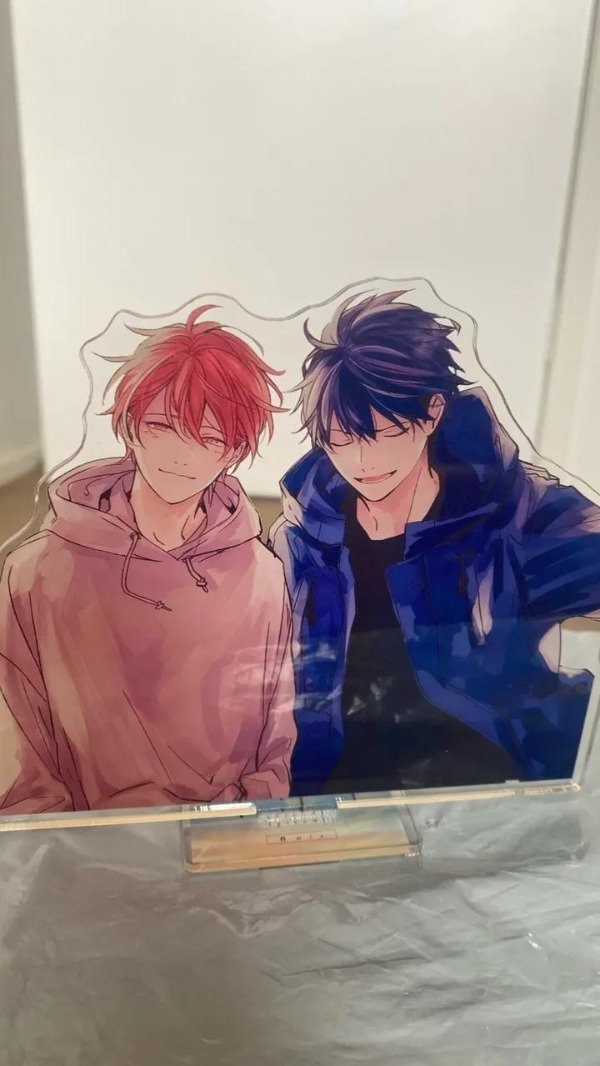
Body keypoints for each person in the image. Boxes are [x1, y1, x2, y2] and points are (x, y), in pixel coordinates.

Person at [269, 291, 600, 796]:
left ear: (432, 412)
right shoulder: (304, 536)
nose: (362, 461)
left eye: (385, 433)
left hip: (487, 791)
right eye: (341, 440)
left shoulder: (513, 513)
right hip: (338, 790)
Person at [0, 306, 296, 814]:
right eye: (161, 426)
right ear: (130, 426)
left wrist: (239, 832)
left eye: (208, 438)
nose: (181, 455)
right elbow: (18, 753)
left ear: (233, 451)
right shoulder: (36, 572)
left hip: (222, 842)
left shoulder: (263, 576)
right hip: (82, 848)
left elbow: (275, 745)